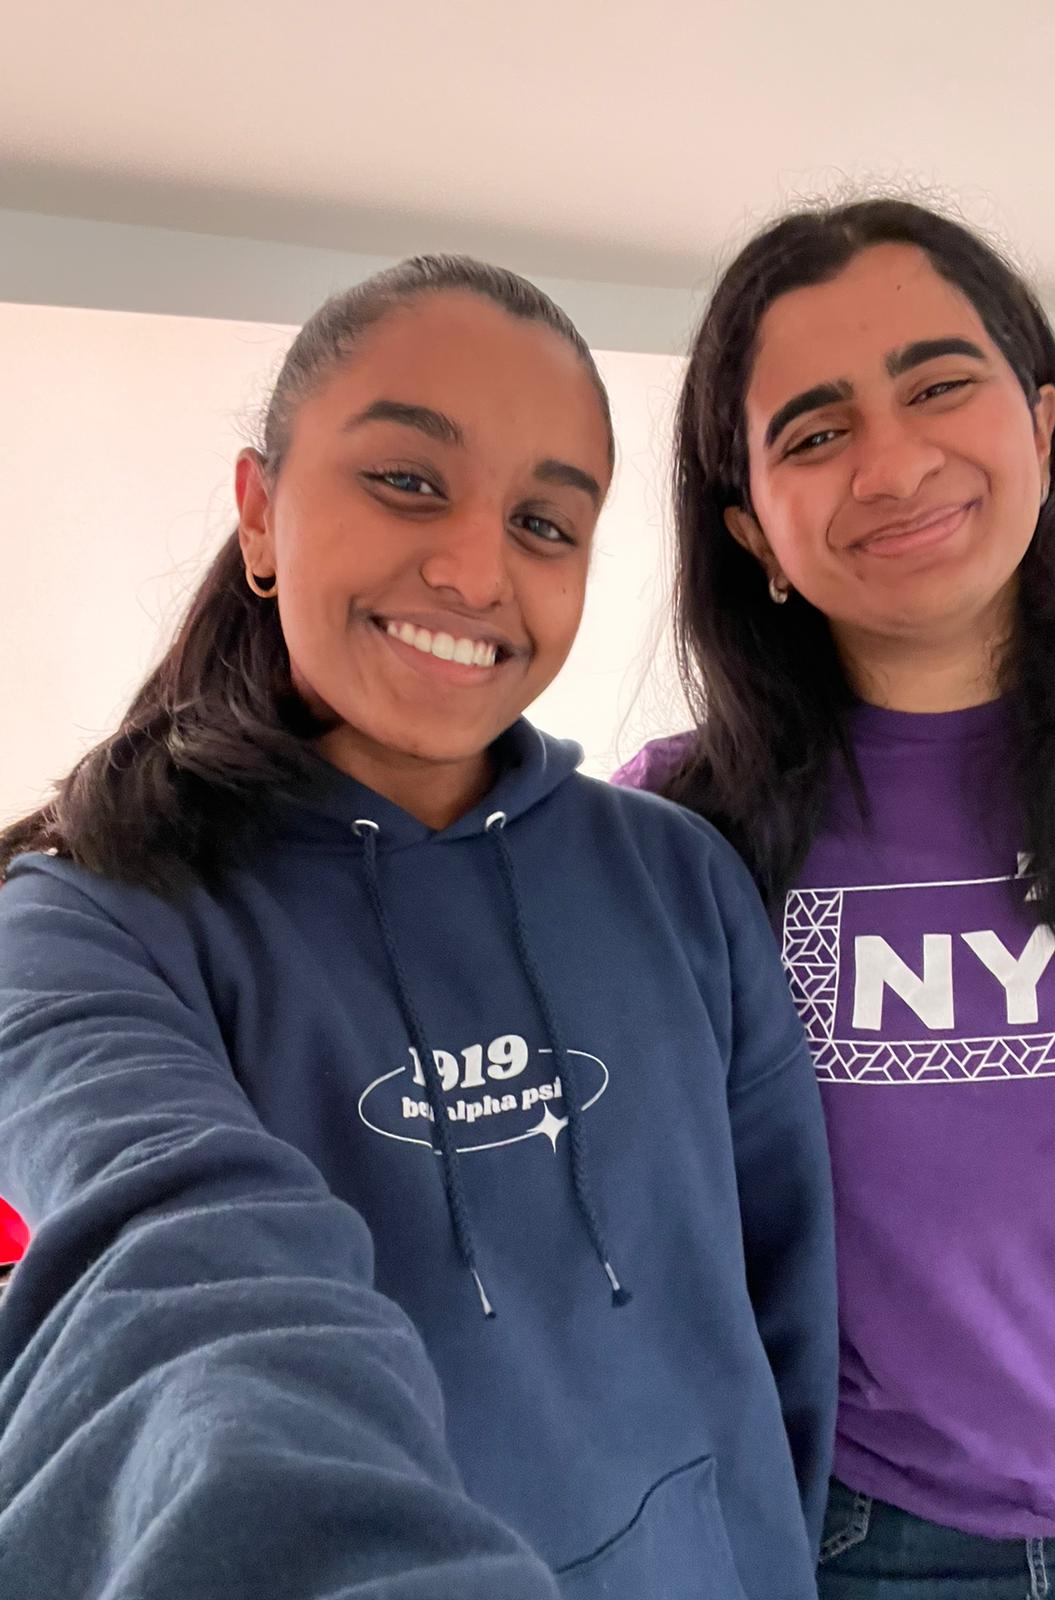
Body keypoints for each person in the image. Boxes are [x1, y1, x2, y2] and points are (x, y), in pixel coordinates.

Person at [0, 254, 837, 1600]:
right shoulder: (84, 928)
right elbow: (179, 1299)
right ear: (260, 514)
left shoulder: (680, 878)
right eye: (405, 481)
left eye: (547, 525)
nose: (472, 568)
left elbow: (783, 1309)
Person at [615, 198, 1055, 1598]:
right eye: (814, 433)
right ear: (751, 526)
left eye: (940, 385)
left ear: (1043, 430)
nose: (892, 462)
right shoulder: (677, 836)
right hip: (862, 1547)